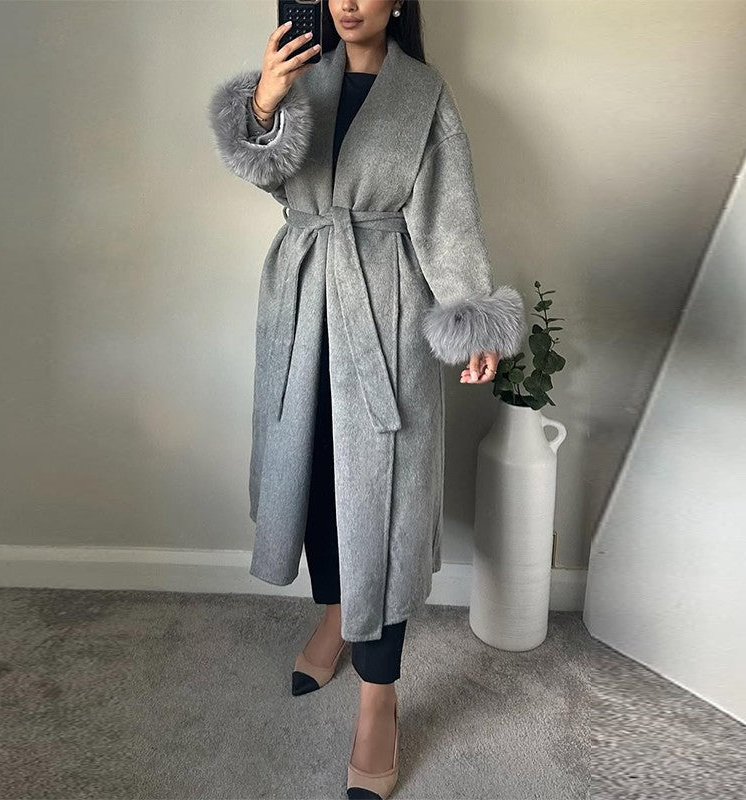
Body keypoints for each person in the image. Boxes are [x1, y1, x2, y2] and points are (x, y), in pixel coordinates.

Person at [208, 2, 526, 797]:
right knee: (314, 478)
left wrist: (471, 319)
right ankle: (334, 612)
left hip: (386, 309)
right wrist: (263, 106)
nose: (348, 1)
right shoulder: (298, 79)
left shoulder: (423, 94)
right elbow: (266, 176)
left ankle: (379, 700)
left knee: (382, 504)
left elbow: (449, 220)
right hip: (300, 302)